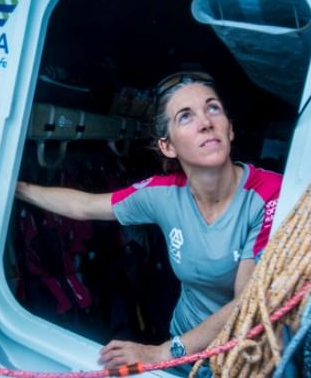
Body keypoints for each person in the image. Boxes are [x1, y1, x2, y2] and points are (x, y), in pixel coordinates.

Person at [16, 71, 282, 372]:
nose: (206, 122)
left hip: (242, 353)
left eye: (213, 108)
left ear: (230, 129)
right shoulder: (163, 194)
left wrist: (162, 353)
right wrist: (15, 188)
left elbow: (248, 303)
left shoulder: (269, 194)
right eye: (185, 116)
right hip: (185, 346)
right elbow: (86, 206)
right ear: (167, 146)